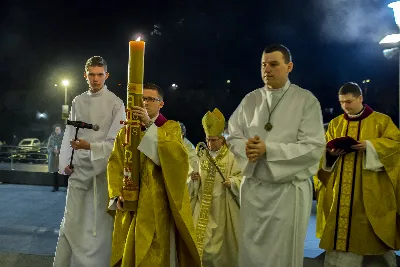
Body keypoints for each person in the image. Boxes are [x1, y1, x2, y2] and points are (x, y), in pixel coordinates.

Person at [227, 44, 326, 267]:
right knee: (250, 253)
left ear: (289, 66)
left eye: (273, 64)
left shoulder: (305, 100)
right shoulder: (250, 100)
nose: (267, 70)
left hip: (287, 193)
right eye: (263, 65)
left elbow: (314, 146)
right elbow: (232, 135)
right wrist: (246, 147)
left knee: (281, 256)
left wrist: (268, 150)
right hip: (253, 189)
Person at [107, 83, 201, 267]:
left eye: (151, 99)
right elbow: (115, 163)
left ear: (161, 104)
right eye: (142, 99)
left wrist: (149, 125)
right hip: (130, 203)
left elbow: (177, 160)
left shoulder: (170, 128)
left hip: (158, 206)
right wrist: (116, 194)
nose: (145, 103)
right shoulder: (125, 132)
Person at [314, 82, 400, 267]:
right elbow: (323, 152)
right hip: (341, 190)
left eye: (349, 101)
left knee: (368, 230)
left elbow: (395, 146)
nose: (345, 106)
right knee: (340, 230)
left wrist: (370, 146)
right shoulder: (336, 123)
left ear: (360, 99)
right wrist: (330, 156)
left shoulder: (381, 121)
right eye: (342, 102)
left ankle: (373, 261)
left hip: (369, 188)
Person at [53, 56, 126, 267]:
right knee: (73, 220)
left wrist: (91, 147)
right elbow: (69, 133)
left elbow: (117, 141)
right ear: (85, 75)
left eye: (100, 75)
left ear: (107, 75)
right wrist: (66, 162)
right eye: (92, 75)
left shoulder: (115, 103)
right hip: (78, 171)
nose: (96, 79)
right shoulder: (77, 100)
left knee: (99, 224)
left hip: (102, 171)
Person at [188, 108, 242, 267]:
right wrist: (193, 179)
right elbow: (190, 175)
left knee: (219, 252)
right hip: (201, 207)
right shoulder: (200, 154)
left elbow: (242, 177)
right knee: (200, 248)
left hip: (222, 209)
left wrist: (232, 182)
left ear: (222, 139)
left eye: (214, 140)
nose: (210, 144)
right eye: (208, 139)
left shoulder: (232, 156)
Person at [47, 124, 64, 192]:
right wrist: (53, 150)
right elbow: (48, 147)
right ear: (54, 130)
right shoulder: (51, 137)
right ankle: (55, 187)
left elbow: (66, 146)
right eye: (56, 129)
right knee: (55, 173)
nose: (57, 131)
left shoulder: (64, 137)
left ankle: (67, 186)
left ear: (61, 130)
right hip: (54, 157)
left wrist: (60, 150)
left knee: (64, 172)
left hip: (62, 157)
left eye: (58, 129)